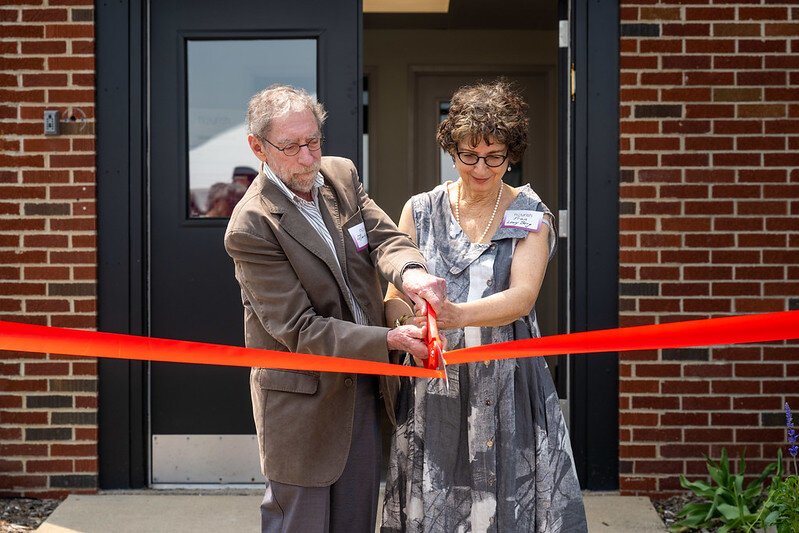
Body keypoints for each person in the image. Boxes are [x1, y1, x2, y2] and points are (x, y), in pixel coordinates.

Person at [223, 84, 446, 533]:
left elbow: (385, 239)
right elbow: (300, 328)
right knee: (300, 524)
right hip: (304, 406)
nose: (307, 158)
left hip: (362, 389)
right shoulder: (251, 225)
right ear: (258, 147)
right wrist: (389, 340)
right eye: (290, 146)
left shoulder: (340, 175)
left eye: (314, 141)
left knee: (356, 522)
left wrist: (410, 273)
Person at [381, 80, 588, 532]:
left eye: (494, 156)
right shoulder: (419, 210)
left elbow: (523, 296)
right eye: (468, 155)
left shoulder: (529, 213)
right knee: (438, 494)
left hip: (506, 383)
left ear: (511, 153)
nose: (480, 167)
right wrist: (407, 325)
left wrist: (456, 315)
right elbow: (394, 300)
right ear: (450, 149)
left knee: (505, 501)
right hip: (435, 381)